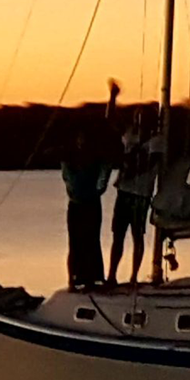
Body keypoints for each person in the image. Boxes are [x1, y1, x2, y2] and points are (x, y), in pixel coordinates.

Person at [61, 80, 121, 290]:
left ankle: (93, 277)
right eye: (79, 139)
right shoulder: (70, 160)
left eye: (84, 139)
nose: (82, 142)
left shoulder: (97, 157)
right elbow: (70, 180)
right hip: (77, 204)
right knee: (75, 243)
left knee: (92, 242)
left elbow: (109, 128)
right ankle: (73, 280)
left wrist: (112, 98)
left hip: (91, 204)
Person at [106, 106, 164, 287]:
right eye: (136, 117)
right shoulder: (130, 133)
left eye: (142, 118)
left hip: (140, 195)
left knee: (137, 234)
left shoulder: (157, 141)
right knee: (118, 234)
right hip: (124, 192)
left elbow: (150, 163)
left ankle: (133, 276)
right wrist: (113, 98)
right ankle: (111, 276)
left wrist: (129, 170)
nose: (139, 122)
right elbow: (111, 121)